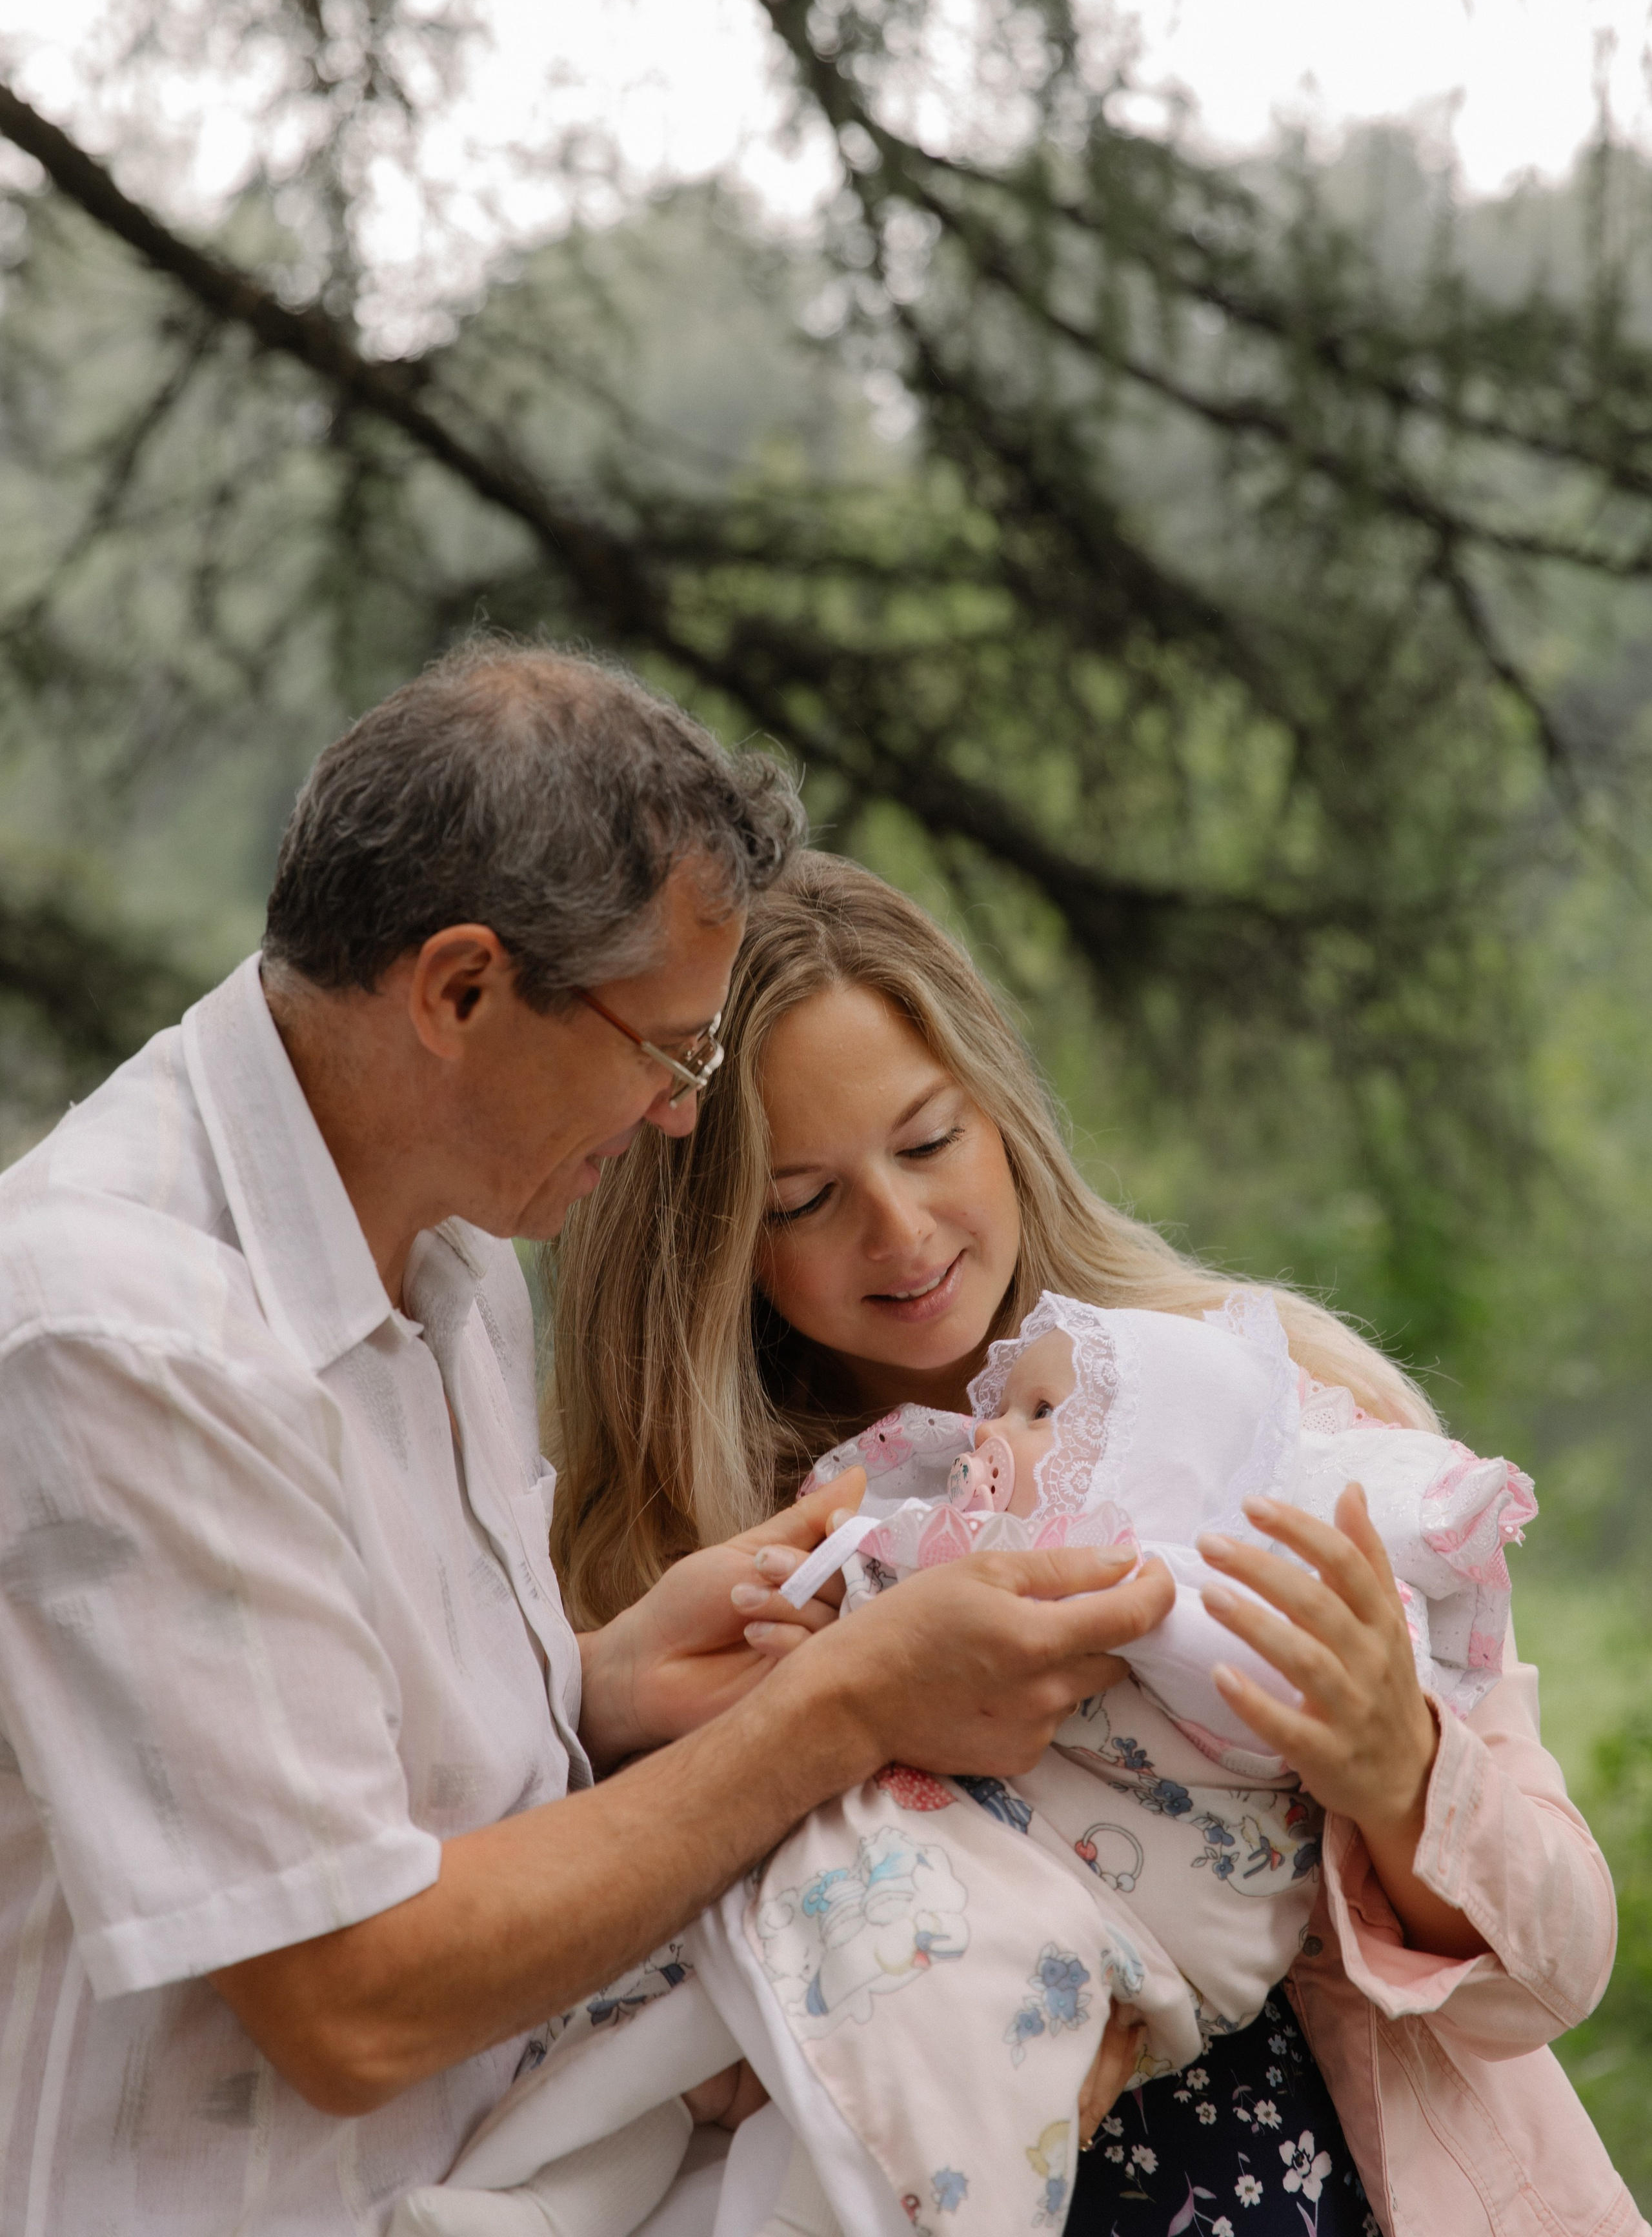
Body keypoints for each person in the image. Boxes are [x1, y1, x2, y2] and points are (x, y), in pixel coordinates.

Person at [0, 645, 1178, 2235]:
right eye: (666, 1050)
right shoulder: (124, 1339)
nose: (682, 1113)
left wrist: (595, 1683)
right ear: (460, 991)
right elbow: (352, 1999)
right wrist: (840, 1704)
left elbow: (359, 1767)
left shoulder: (453, 1243)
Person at [549, 848, 1643, 2237]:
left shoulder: (1266, 1413)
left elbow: (1555, 1970)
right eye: (803, 1200)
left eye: (929, 1142)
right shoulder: (682, 1572)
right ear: (706, 1241)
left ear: (1001, 1114)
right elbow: (609, 2026)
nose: (901, 1231)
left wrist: (1402, 1778)